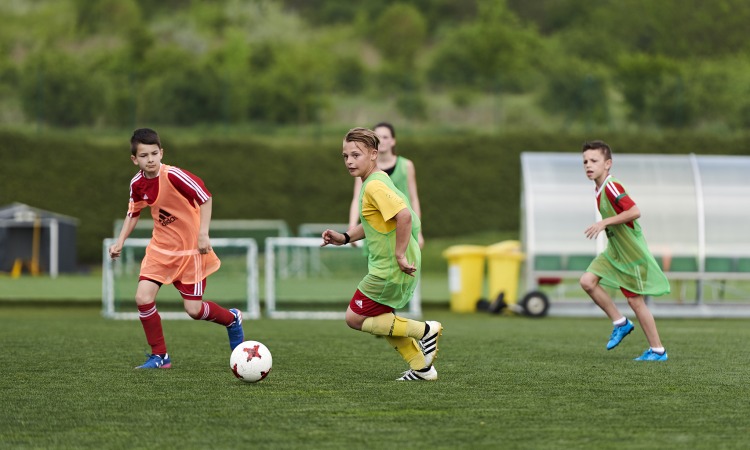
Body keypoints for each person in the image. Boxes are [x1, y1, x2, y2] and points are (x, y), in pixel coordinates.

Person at [108, 128, 244, 369]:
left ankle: (232, 319)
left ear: (161, 152)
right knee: (142, 297)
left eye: (154, 153)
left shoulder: (175, 176)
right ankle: (160, 356)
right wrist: (120, 242)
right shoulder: (137, 183)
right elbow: (133, 212)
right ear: (134, 159)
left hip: (191, 251)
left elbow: (206, 197)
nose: (150, 159)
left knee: (193, 309)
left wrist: (203, 235)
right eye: (143, 155)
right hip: (160, 250)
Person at [323, 127, 442, 381]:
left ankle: (425, 330)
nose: (350, 161)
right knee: (382, 318)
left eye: (356, 155)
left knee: (354, 318)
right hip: (390, 267)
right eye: (345, 156)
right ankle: (422, 368)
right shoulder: (376, 180)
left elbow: (404, 216)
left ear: (374, 154)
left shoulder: (374, 185)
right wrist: (344, 238)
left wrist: (399, 255)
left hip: (388, 269)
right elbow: (374, 223)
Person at [579, 140, 671, 361]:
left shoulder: (611, 186)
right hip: (615, 252)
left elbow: (635, 211)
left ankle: (658, 350)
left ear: (608, 164)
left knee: (635, 302)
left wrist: (604, 223)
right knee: (587, 282)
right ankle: (620, 323)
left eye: (594, 161)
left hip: (632, 254)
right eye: (584, 162)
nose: (588, 165)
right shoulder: (598, 188)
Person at [348, 122, 424, 249]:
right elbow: (357, 198)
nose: (381, 141)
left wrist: (419, 231)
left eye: (385, 137)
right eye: (378, 137)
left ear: (393, 141)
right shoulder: (364, 168)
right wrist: (351, 228)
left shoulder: (406, 166)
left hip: (403, 230)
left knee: (407, 265)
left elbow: (414, 199)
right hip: (375, 231)